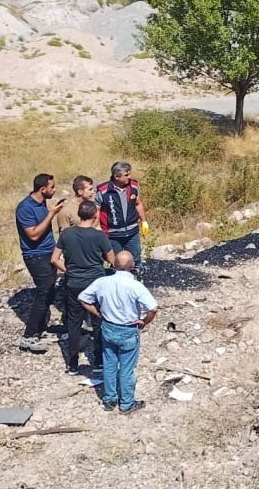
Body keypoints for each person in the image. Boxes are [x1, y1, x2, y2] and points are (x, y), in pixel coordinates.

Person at [79, 251, 158, 414]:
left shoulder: (102, 282)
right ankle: (126, 403)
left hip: (108, 327)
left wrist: (98, 313)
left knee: (109, 365)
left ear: (113, 265)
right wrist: (144, 321)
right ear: (132, 266)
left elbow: (82, 298)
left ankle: (109, 399)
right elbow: (153, 308)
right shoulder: (135, 286)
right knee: (127, 368)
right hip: (128, 329)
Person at [52, 199, 115, 378]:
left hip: (73, 283)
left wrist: (69, 271)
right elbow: (112, 259)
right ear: (95, 215)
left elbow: (55, 259)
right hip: (96, 283)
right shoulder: (99, 236)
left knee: (73, 322)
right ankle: (99, 362)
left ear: (79, 215)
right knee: (98, 321)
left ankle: (73, 364)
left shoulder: (67, 234)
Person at [16, 173, 65, 354]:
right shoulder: (25, 208)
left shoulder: (41, 202)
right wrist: (52, 213)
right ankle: (28, 336)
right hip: (35, 256)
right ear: (42, 189)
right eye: (52, 187)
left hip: (48, 252)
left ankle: (40, 330)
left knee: (50, 290)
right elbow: (34, 235)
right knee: (44, 291)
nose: (55, 189)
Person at [95, 162, 149, 268]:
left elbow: (138, 204)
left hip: (132, 232)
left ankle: (137, 282)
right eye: (126, 175)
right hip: (113, 234)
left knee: (135, 260)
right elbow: (97, 211)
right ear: (116, 176)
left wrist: (144, 221)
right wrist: (97, 228)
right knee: (116, 262)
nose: (129, 177)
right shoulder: (103, 190)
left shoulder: (133, 186)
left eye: (129, 174)